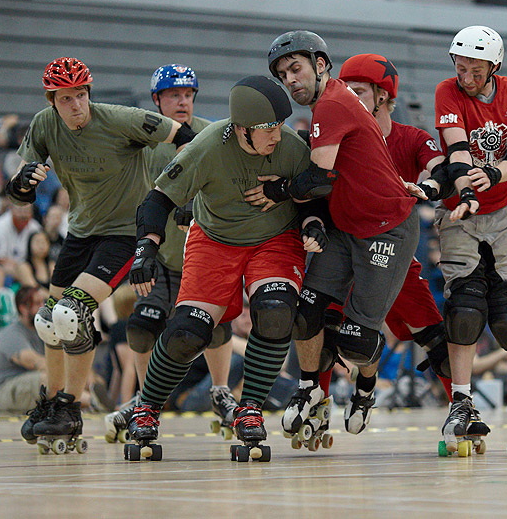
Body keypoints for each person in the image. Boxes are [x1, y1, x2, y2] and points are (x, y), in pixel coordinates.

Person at [125, 75, 327, 458]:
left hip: (274, 240)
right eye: (269, 128)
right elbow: (158, 199)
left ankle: (249, 409)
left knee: (275, 311)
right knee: (188, 332)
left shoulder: (291, 147)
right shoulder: (208, 145)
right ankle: (146, 407)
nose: (278, 135)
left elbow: (313, 193)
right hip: (214, 240)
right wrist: (146, 249)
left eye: (281, 125)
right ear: (241, 130)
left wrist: (311, 223)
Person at [10, 56, 193, 447]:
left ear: (89, 93)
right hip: (81, 231)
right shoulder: (45, 125)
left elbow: (186, 137)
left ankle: (71, 406)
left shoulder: (119, 119)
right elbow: (19, 184)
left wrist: (184, 195)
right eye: (65, 99)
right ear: (51, 100)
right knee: (48, 320)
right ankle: (54, 405)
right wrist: (22, 182)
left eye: (81, 95)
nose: (76, 106)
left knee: (70, 312)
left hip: (126, 232)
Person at [268, 30, 419, 437]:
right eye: (283, 74)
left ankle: (365, 389)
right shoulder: (330, 101)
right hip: (346, 226)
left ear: (321, 65)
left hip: (387, 229)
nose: (290, 80)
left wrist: (275, 189)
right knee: (307, 314)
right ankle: (308, 389)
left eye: (295, 68)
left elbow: (317, 180)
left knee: (355, 340)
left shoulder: (333, 103)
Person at [413, 25, 507, 455]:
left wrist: (490, 178)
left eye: (474, 70)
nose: (465, 77)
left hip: (506, 209)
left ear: (494, 67)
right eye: (460, 67)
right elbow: (455, 152)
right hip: (459, 211)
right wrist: (468, 193)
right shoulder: (446, 91)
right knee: (465, 308)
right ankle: (461, 404)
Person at [103, 64, 238, 443]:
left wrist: (197, 202)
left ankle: (221, 392)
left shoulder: (212, 134)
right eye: (174, 95)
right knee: (142, 329)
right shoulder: (143, 144)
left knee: (216, 328)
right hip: (161, 259)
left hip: (204, 256)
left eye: (188, 94)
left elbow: (227, 185)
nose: (182, 101)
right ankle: (148, 401)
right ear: (156, 101)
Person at [337, 52, 452, 397]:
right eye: (345, 90)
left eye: (358, 91)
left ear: (383, 96)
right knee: (320, 327)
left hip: (395, 256)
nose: (348, 98)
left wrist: (429, 187)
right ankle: (319, 399)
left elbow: (440, 168)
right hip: (349, 251)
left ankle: (461, 406)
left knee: (435, 338)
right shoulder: (339, 138)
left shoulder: (413, 138)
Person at [0, 286, 47, 413]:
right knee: (48, 380)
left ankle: (89, 400)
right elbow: (33, 361)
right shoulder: (11, 332)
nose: (43, 307)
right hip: (5, 389)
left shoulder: (43, 331)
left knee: (62, 379)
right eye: (37, 303)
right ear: (23, 309)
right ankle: (90, 400)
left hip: (30, 384)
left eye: (44, 302)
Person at [0, 203, 42, 276]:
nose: (23, 215)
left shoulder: (35, 227)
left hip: (26, 266)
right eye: (20, 211)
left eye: (27, 211)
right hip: (0, 267)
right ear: (12, 210)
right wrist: (20, 267)